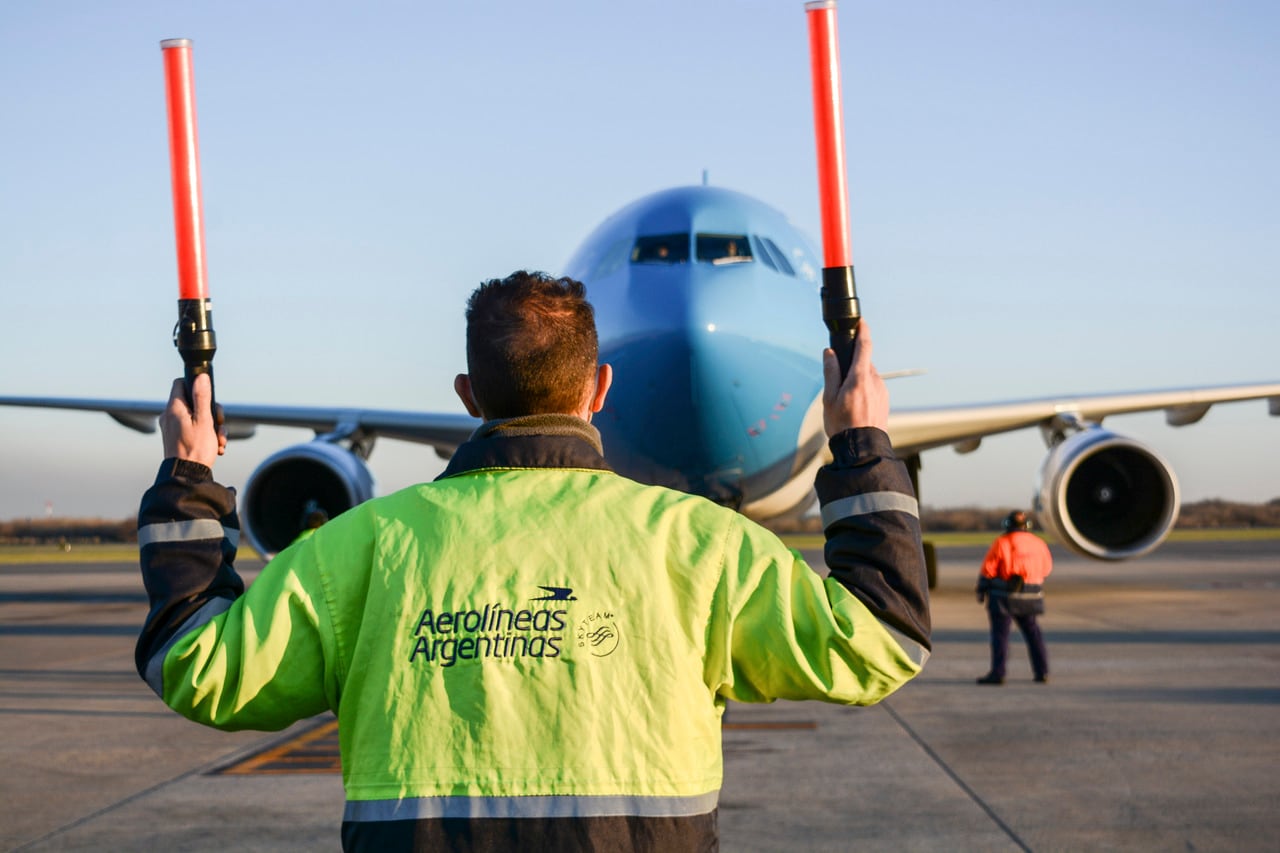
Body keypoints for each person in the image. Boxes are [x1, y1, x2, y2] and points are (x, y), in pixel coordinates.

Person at [135, 270, 931, 851]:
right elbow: (880, 640)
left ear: (467, 394)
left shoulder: (362, 547)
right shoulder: (699, 544)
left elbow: (194, 662)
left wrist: (189, 483)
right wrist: (861, 447)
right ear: (600, 387)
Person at [975, 510, 1053, 685]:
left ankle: (998, 673)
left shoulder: (1002, 542)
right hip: (1030, 596)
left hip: (1004, 597)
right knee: (1033, 634)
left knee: (1000, 636)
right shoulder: (1039, 543)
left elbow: (989, 568)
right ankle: (1042, 672)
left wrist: (981, 589)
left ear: (1007, 525)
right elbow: (1047, 568)